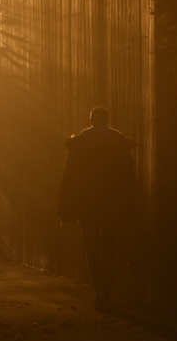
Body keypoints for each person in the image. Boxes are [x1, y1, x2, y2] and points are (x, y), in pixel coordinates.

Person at [57, 106, 135, 310]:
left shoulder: (80, 143)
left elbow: (70, 177)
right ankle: (106, 290)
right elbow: (128, 178)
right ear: (108, 121)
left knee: (91, 246)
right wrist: (127, 205)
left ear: (91, 121)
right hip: (110, 203)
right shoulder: (118, 142)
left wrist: (66, 206)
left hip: (87, 203)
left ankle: (99, 288)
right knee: (108, 246)